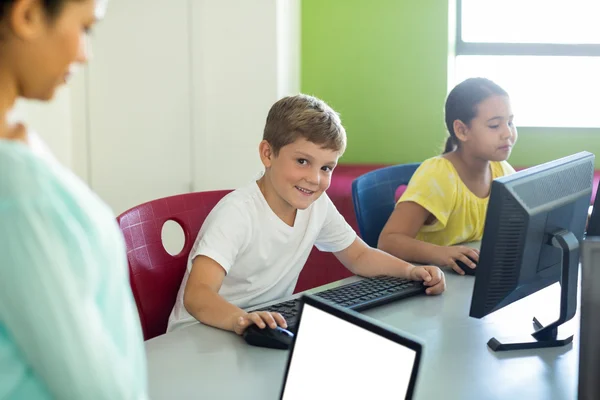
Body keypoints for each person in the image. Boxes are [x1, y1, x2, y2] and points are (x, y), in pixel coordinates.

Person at [167, 94, 446, 334]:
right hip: (202, 335)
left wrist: (410, 271)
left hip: (262, 326)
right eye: (302, 161)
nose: (314, 179)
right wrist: (242, 320)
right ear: (267, 154)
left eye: (326, 168)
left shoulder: (317, 205)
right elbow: (198, 295)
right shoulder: (238, 213)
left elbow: (359, 256)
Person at [0, 0, 148, 398]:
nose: (85, 53)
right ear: (27, 15)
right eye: (85, 28)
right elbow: (91, 388)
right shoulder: (16, 190)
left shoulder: (18, 154)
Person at [378, 77, 517, 276]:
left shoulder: (501, 170)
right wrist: (443, 254)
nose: (507, 133)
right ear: (461, 130)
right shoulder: (438, 175)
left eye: (510, 122)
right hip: (428, 282)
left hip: (465, 281)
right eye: (495, 126)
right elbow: (388, 241)